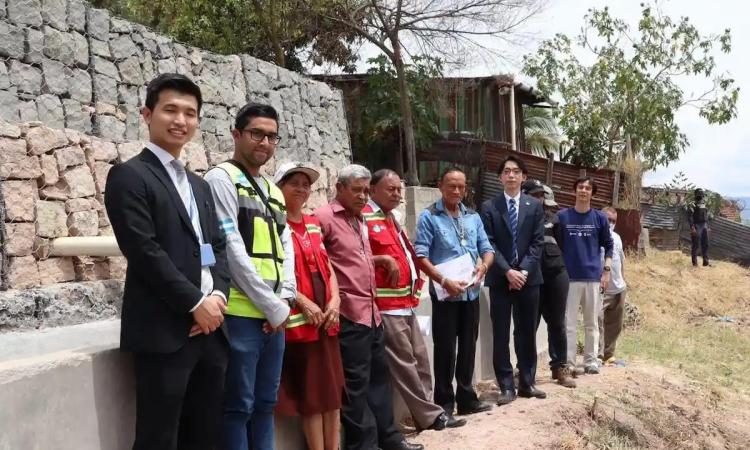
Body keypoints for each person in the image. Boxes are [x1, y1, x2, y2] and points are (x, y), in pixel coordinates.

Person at [104, 73, 230, 450]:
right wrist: (194, 304)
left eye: (190, 113)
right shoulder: (129, 176)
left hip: (211, 330)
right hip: (165, 331)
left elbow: (218, 248)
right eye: (170, 110)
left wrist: (218, 299)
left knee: (205, 434)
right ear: (147, 114)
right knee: (159, 438)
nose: (181, 120)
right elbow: (143, 250)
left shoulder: (200, 185)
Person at [204, 103, 296, 450]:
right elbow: (230, 248)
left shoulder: (272, 189)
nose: (265, 142)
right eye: (257, 133)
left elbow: (286, 244)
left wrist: (285, 297)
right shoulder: (221, 178)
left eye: (272, 136)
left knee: (265, 404)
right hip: (242, 312)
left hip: (274, 314)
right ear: (237, 134)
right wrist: (273, 306)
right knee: (238, 405)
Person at [315, 164, 423, 450]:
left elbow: (356, 260)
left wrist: (380, 261)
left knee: (379, 381)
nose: (363, 197)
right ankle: (364, 445)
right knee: (356, 387)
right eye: (357, 190)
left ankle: (390, 438)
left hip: (372, 312)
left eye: (366, 191)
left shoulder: (360, 218)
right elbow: (320, 263)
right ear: (339, 188)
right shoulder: (324, 218)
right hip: (349, 315)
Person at [363, 169, 467, 431]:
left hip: (406, 303)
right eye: (391, 189)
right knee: (405, 365)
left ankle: (429, 412)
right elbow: (354, 257)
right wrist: (381, 260)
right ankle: (431, 416)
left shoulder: (392, 219)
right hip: (387, 307)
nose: (397, 194)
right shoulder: (364, 218)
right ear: (373, 190)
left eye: (399, 189)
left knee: (420, 359)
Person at [273, 162, 345, 450]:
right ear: (280, 187)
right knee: (312, 396)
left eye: (306, 184)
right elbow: (276, 273)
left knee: (333, 392)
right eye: (295, 183)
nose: (302, 189)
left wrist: (336, 299)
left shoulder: (313, 222)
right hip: (301, 324)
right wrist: (301, 302)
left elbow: (327, 267)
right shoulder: (274, 223)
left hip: (327, 319)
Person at [415, 167, 495, 417]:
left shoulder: (472, 217)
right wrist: (443, 279)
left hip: (470, 294)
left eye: (461, 186)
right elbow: (420, 255)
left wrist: (483, 267)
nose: (457, 191)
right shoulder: (429, 216)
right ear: (440, 186)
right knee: (445, 349)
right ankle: (445, 404)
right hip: (446, 294)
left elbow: (487, 249)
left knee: (468, 347)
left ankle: (467, 398)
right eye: (452, 185)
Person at [480, 156, 546, 405]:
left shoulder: (534, 206)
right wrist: (508, 271)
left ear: (523, 177)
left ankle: (527, 382)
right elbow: (488, 243)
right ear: (500, 177)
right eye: (506, 171)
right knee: (501, 334)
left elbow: (537, 242)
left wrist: (523, 272)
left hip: (529, 280)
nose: (511, 176)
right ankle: (506, 386)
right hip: (500, 279)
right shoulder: (489, 207)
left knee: (527, 332)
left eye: (516, 171)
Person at [521, 180, 576, 389]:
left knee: (557, 322)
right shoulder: (517, 220)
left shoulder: (554, 219)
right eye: (533, 195)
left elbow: (563, 246)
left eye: (540, 195)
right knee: (528, 324)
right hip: (530, 277)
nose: (538, 199)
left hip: (555, 274)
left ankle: (560, 367)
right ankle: (526, 370)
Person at [557, 176, 613, 375]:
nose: (583, 190)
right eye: (580, 187)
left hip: (592, 278)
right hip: (569, 278)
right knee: (569, 323)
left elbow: (609, 246)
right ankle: (569, 362)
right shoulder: (562, 216)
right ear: (575, 191)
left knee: (591, 322)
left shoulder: (600, 218)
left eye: (587, 188)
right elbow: (556, 245)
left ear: (592, 193)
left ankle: (591, 361)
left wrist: (606, 271)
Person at [598, 206, 627, 364]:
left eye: (613, 221)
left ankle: (609, 354)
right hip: (601, 288)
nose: (610, 223)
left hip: (618, 288)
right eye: (607, 219)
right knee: (597, 321)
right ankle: (597, 354)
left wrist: (624, 280)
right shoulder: (595, 236)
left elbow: (621, 260)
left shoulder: (617, 237)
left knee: (615, 324)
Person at [687, 188, 712, 267]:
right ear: (696, 194)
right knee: (695, 245)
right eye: (699, 194)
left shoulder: (704, 204)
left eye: (701, 194)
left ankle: (706, 261)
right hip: (696, 226)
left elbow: (706, 215)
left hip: (704, 225)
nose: (701, 196)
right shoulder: (692, 204)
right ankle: (695, 264)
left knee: (706, 244)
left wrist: (708, 226)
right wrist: (692, 227)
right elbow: (689, 217)